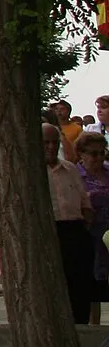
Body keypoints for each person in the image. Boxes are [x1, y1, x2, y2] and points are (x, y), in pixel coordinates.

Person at [45, 122, 94, 324]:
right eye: (45, 142)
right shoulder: (33, 172)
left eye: (54, 142)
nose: (50, 147)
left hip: (75, 228)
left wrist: (86, 218)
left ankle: (81, 323)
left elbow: (84, 200)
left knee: (81, 284)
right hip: (52, 230)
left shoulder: (70, 168)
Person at [76, 131, 109, 318]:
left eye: (102, 152)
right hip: (89, 236)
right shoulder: (76, 175)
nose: (98, 158)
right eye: (93, 154)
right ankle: (94, 327)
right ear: (81, 153)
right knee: (94, 286)